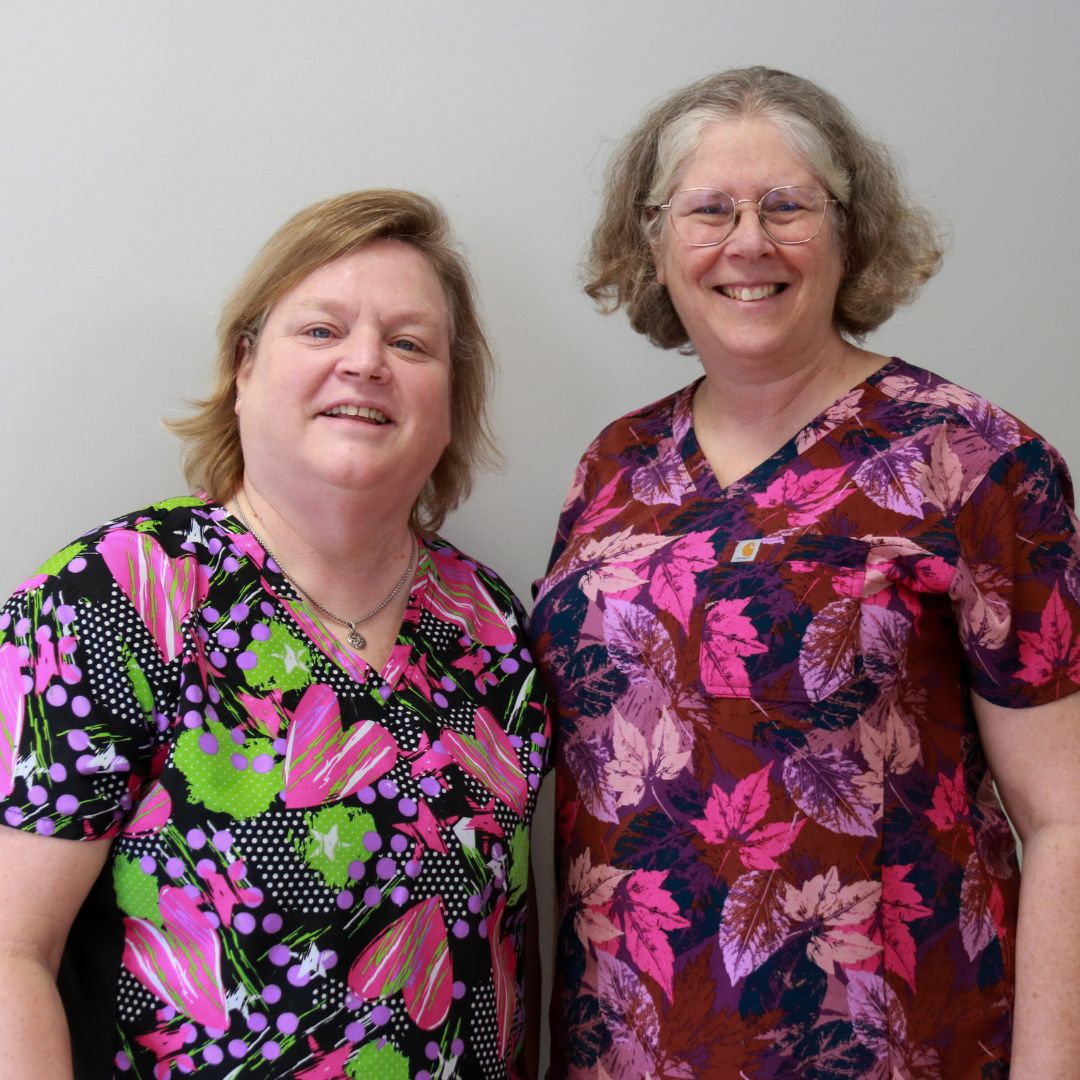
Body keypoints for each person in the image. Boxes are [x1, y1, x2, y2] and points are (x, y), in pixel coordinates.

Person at [530, 66, 1080, 1078]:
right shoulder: (613, 468)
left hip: (891, 1046)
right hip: (625, 1051)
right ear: (654, 241)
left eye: (787, 206)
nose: (748, 242)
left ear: (848, 231)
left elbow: (1066, 817)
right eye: (709, 209)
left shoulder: (973, 460)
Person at [0, 189, 550, 1079]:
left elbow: (505, 945)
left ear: (451, 400)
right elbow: (9, 952)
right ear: (244, 367)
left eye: (410, 344)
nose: (365, 363)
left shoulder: (489, 626)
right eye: (322, 330)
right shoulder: (117, 596)